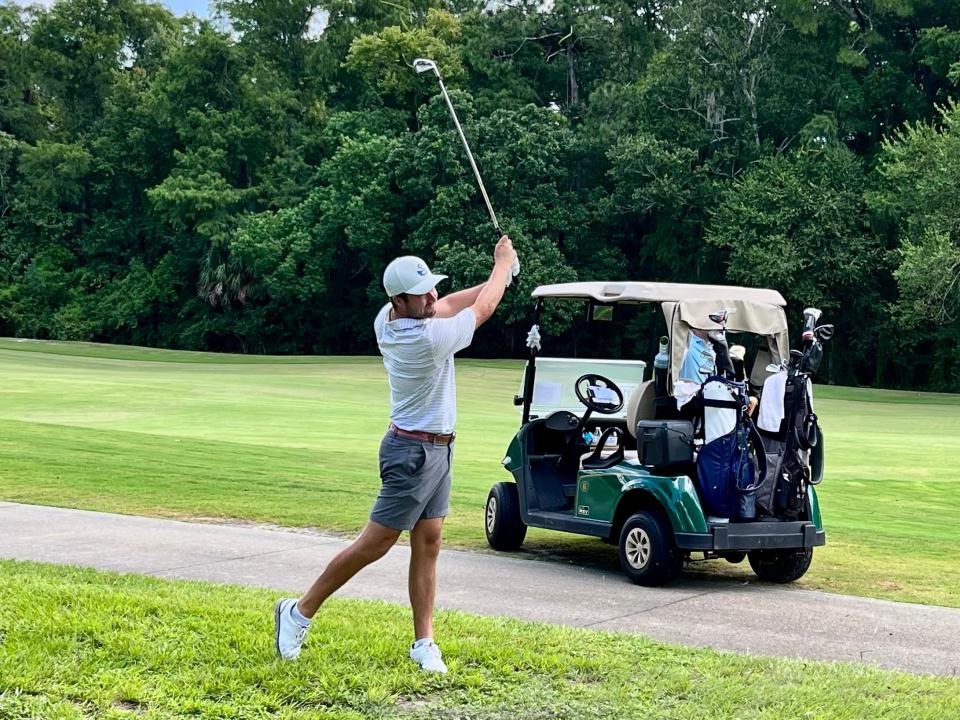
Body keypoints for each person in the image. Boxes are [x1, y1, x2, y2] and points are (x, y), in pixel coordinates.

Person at [273, 235, 517, 674]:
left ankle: (424, 643)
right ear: (400, 301)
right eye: (422, 293)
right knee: (375, 544)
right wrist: (502, 266)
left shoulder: (391, 315)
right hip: (411, 453)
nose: (433, 296)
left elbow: (454, 301)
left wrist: (495, 277)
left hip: (440, 449)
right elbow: (480, 311)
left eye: (431, 288)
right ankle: (298, 612)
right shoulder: (424, 339)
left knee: (429, 543)